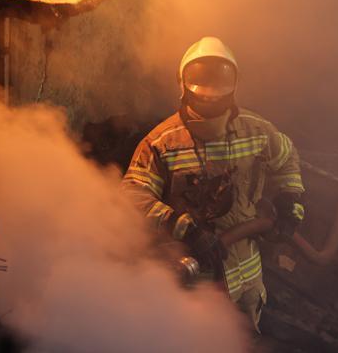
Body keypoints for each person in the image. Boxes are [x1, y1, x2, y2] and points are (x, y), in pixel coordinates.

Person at [122, 36, 306, 329]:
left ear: (234, 86)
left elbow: (286, 158)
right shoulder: (161, 143)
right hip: (192, 282)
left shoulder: (257, 131)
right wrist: (184, 228)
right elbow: (133, 195)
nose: (209, 99)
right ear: (182, 86)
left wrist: (290, 200)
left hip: (246, 279)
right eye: (202, 93)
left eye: (217, 92)